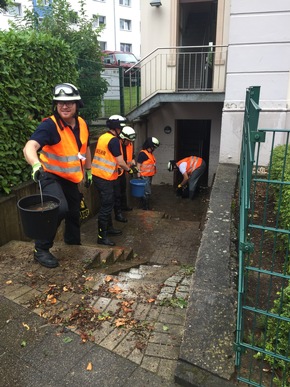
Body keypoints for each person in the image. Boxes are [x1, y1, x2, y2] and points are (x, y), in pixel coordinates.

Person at [23, 83, 92, 269]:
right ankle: (41, 249)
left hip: (70, 178)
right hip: (49, 175)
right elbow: (30, 146)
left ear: (77, 104)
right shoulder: (50, 126)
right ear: (56, 105)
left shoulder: (82, 124)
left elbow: (86, 148)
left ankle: (72, 244)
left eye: (69, 102)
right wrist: (35, 164)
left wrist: (88, 170)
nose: (64, 106)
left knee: (73, 212)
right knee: (58, 208)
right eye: (60, 102)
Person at [91, 115, 134, 246]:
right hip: (105, 177)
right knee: (106, 206)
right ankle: (101, 236)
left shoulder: (104, 137)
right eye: (121, 128)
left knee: (108, 204)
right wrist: (129, 169)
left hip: (99, 175)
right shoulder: (114, 140)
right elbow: (120, 161)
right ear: (117, 128)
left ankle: (109, 229)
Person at [136, 136, 160, 210]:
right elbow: (138, 164)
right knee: (147, 192)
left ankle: (143, 206)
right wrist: (139, 174)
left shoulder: (150, 153)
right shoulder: (143, 154)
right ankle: (145, 207)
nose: (154, 149)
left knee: (146, 191)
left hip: (149, 176)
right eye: (153, 147)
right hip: (144, 176)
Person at [118, 126, 136, 212]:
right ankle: (118, 211)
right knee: (116, 193)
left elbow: (131, 156)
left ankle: (124, 207)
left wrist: (133, 164)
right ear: (123, 138)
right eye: (128, 140)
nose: (129, 142)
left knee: (123, 189)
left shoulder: (129, 144)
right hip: (116, 172)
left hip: (124, 171)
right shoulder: (116, 144)